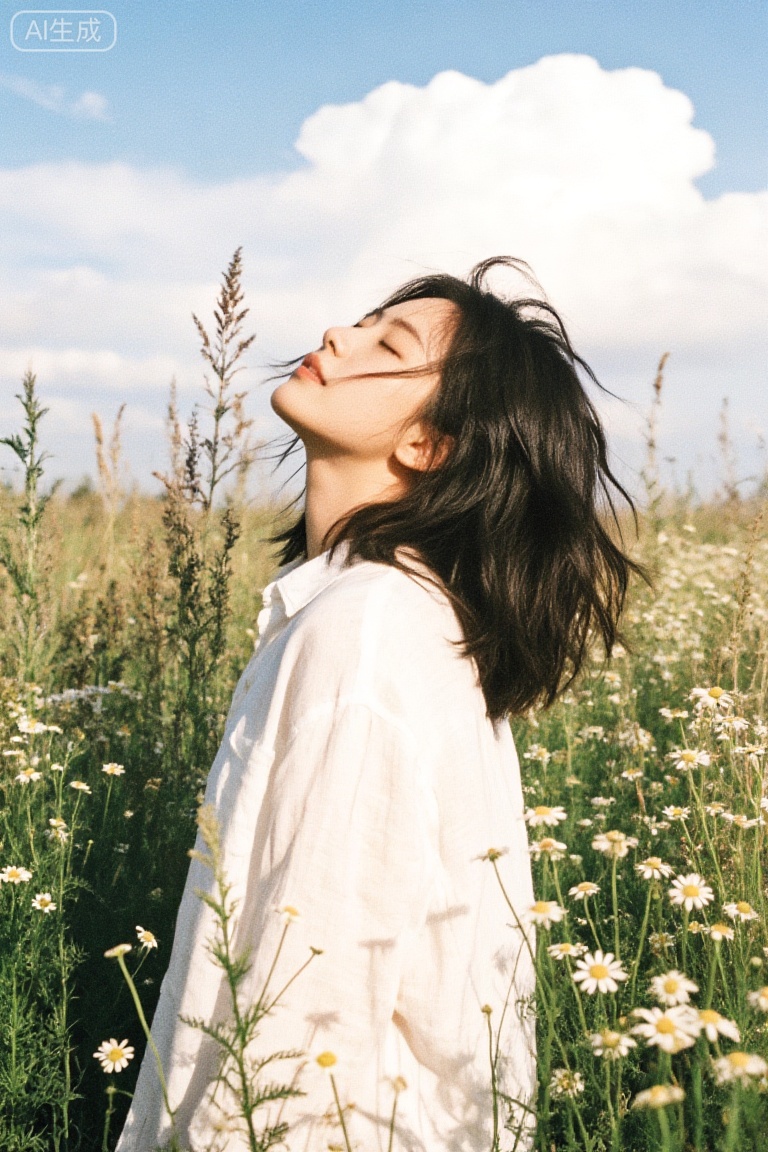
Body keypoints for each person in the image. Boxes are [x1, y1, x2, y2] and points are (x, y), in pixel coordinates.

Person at [115, 256, 641, 1151]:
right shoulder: (399, 613)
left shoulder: (364, 630)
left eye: (386, 343)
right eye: (364, 322)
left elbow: (298, 1008)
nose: (337, 336)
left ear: (429, 445)